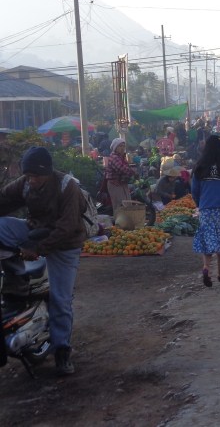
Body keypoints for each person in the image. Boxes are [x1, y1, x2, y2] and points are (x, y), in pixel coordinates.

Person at [0, 147, 86, 375]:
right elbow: (4, 198)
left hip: (65, 244)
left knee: (61, 299)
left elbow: (67, 227)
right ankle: (16, 280)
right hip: (35, 231)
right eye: (28, 176)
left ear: (48, 172)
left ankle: (62, 351)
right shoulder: (25, 183)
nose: (32, 180)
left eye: (36, 176)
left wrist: (36, 249)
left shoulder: (67, 186)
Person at [192, 135, 220, 287]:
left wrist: (200, 204)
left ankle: (206, 267)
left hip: (206, 209)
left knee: (207, 238)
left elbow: (194, 191)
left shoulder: (199, 168)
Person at [106, 138, 133, 213]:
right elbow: (122, 169)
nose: (122, 148)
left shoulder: (122, 157)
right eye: (120, 146)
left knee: (127, 204)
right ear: (115, 147)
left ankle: (127, 220)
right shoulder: (114, 157)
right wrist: (133, 172)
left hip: (122, 183)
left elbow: (127, 167)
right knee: (120, 206)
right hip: (115, 184)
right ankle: (120, 220)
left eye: (123, 146)